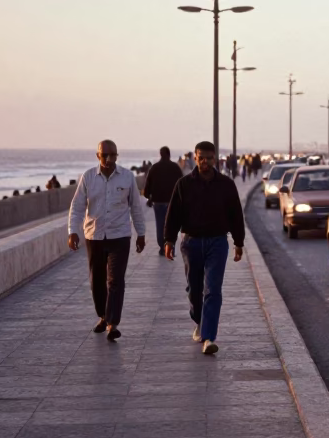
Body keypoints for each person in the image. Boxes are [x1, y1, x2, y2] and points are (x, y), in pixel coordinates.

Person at [164, 140, 245, 356]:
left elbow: (236, 215)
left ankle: (209, 337)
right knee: (194, 290)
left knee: (213, 290)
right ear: (195, 158)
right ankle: (199, 320)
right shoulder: (183, 184)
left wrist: (239, 242)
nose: (206, 162)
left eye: (210, 158)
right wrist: (169, 241)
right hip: (191, 243)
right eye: (201, 158)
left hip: (218, 243)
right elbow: (173, 215)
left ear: (216, 159)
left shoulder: (226, 185)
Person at [67, 139, 146, 340]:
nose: (109, 159)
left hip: (120, 236)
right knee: (97, 281)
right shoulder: (88, 177)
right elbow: (77, 207)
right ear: (98, 156)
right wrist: (72, 231)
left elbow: (136, 206)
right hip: (94, 236)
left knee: (116, 280)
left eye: (113, 155)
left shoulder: (127, 177)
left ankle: (112, 323)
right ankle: (103, 316)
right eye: (105, 155)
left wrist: (141, 233)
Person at [143, 146, 184, 256]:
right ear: (169, 154)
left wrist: (149, 196)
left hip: (158, 202)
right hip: (172, 202)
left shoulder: (154, 168)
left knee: (160, 225)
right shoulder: (175, 167)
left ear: (160, 154)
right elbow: (182, 184)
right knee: (171, 225)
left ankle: (162, 247)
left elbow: (148, 184)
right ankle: (171, 246)